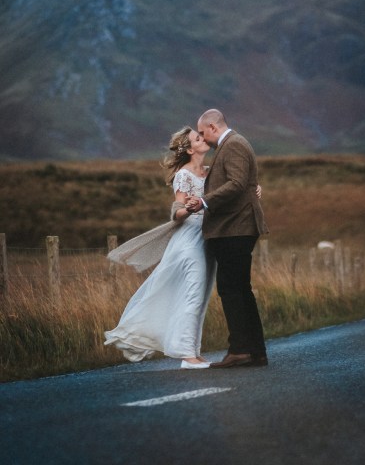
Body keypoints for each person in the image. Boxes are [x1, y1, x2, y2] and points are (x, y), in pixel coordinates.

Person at [104, 126, 216, 370]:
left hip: (207, 240)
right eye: (198, 138)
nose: (204, 138)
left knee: (202, 294)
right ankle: (187, 356)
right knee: (193, 293)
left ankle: (194, 352)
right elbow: (177, 213)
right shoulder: (183, 176)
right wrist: (192, 208)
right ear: (188, 148)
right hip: (189, 240)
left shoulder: (210, 172)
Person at [185, 109, 268, 368]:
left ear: (212, 127)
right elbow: (242, 182)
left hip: (235, 228)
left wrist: (204, 201)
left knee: (231, 288)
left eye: (201, 132)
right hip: (236, 227)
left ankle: (240, 350)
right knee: (241, 289)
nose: (202, 138)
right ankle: (256, 352)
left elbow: (236, 183)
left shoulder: (233, 145)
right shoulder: (233, 144)